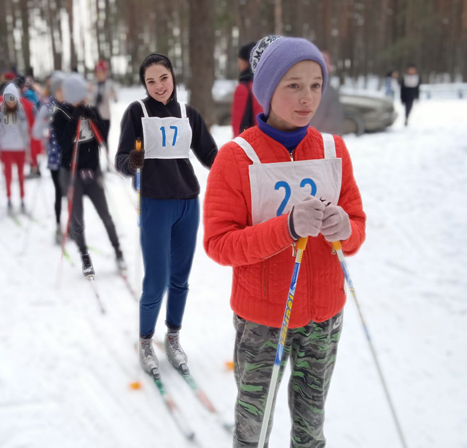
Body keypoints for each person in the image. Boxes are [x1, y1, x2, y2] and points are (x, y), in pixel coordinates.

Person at [203, 36, 366, 447]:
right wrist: (287, 228)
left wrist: (345, 228)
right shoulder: (236, 157)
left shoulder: (333, 149)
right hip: (263, 319)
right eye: (293, 85)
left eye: (315, 85)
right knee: (253, 429)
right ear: (267, 88)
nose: (307, 97)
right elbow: (219, 243)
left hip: (324, 315)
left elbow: (356, 228)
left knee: (311, 428)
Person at [115, 53, 218, 377]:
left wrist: (237, 160)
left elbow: (210, 154)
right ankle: (146, 341)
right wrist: (131, 162)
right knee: (156, 279)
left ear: (173, 76)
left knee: (180, 279)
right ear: (144, 85)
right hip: (156, 204)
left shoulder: (188, 114)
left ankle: (173, 338)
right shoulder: (137, 112)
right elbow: (121, 160)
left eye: (164, 78)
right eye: (151, 81)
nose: (159, 86)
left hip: (188, 203)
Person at [53, 73, 125, 276]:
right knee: (77, 220)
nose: (84, 98)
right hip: (72, 174)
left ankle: (118, 252)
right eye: (80, 94)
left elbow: (102, 139)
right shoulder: (60, 115)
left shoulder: (90, 110)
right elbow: (64, 145)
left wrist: (94, 119)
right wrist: (74, 119)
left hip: (92, 172)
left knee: (106, 215)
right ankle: (85, 257)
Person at [0, 83, 43, 213]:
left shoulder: (21, 110)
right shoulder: (0, 110)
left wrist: (28, 148)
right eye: (8, 99)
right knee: (8, 175)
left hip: (19, 148)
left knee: (20, 176)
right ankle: (9, 198)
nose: (11, 102)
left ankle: (22, 199)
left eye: (13, 99)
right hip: (6, 148)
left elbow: (25, 131)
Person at [33, 71, 68, 244]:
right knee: (59, 192)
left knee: (72, 193)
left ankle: (72, 226)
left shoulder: (72, 105)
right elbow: (36, 131)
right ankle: (59, 226)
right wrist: (45, 138)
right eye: (60, 88)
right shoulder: (47, 108)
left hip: (71, 156)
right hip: (55, 157)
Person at [231, 42, 262, 137]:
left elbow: (238, 124)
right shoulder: (268, 85)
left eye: (240, 59)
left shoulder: (244, 88)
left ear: (246, 61)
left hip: (250, 141)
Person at [310, 51, 344, 135]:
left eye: (328, 62)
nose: (327, 65)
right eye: (323, 61)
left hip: (328, 139)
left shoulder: (329, 90)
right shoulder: (316, 89)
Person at [89, 60, 117, 149]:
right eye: (97, 72)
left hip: (105, 116)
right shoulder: (92, 84)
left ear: (105, 73)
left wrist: (112, 94)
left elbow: (115, 98)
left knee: (104, 139)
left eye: (101, 72)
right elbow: (88, 100)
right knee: (93, 141)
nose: (99, 74)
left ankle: (106, 154)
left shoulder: (109, 84)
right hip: (93, 117)